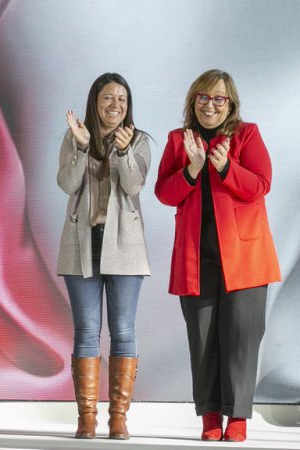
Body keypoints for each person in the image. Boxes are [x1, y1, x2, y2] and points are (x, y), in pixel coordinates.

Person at [154, 69, 280, 442]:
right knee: (203, 340)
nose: (210, 105)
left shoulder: (247, 135)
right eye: (203, 97)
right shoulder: (178, 140)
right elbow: (164, 192)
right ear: (193, 101)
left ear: (230, 103)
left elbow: (261, 185)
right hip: (197, 258)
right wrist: (192, 169)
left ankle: (237, 417)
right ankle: (210, 417)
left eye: (218, 98)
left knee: (241, 339)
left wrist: (226, 167)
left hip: (245, 258)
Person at [56, 73, 151, 440]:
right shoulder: (74, 136)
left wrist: (124, 153)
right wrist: (81, 148)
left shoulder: (139, 141)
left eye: (122, 99)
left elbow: (134, 185)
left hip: (124, 245)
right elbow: (66, 184)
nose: (115, 105)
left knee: (124, 331)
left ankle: (118, 418)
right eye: (108, 97)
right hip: (82, 243)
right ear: (95, 102)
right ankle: (87, 418)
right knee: (86, 331)